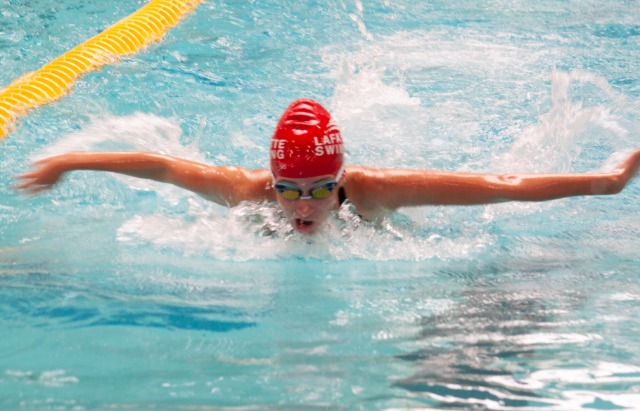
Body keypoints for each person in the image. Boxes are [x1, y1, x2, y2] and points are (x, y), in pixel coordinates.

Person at [15, 98, 640, 235]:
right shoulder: (248, 193)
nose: (303, 206)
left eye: (319, 190)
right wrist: (68, 163)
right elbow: (161, 168)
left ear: (341, 181)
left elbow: (503, 187)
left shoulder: (374, 192)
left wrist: (610, 181)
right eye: (289, 190)